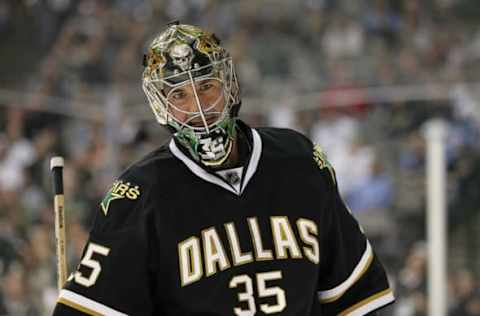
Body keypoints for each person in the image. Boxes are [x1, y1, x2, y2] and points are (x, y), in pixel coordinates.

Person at [52, 22, 395, 316]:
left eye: (205, 87)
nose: (199, 108)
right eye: (180, 96)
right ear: (161, 106)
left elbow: (358, 299)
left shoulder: (299, 162)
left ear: (228, 84)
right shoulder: (139, 196)